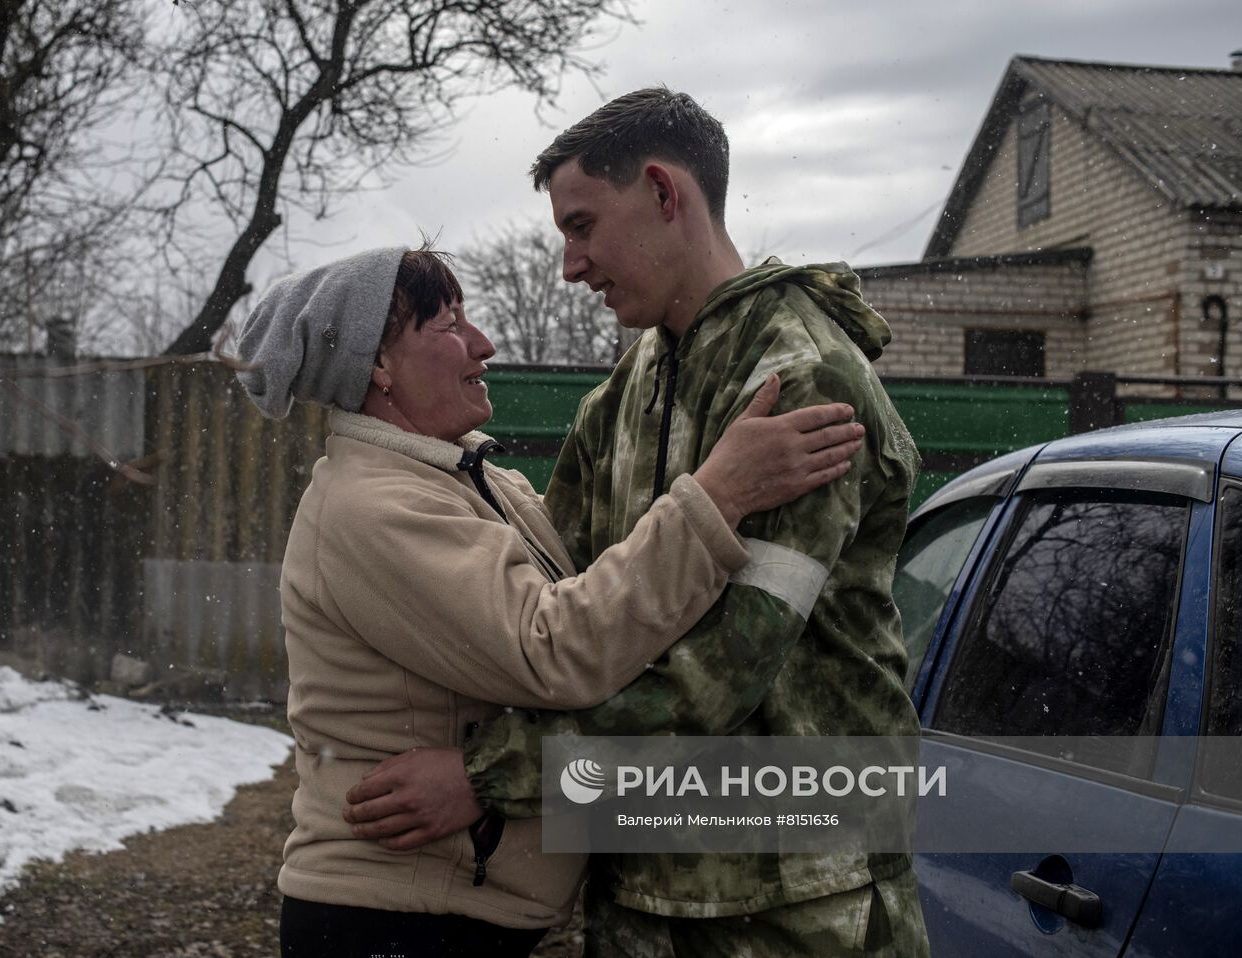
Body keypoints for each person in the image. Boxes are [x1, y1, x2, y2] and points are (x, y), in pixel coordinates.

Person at [342, 90, 933, 956]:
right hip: (636, 896)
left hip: (801, 906)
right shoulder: (620, 401)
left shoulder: (800, 382)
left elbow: (726, 668)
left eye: (581, 227)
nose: (571, 266)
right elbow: (563, 624)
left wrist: (487, 775)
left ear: (663, 191)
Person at [234, 244, 866, 957]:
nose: (484, 343)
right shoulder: (374, 508)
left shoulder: (473, 482)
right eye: (449, 327)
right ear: (377, 365)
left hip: (444, 911)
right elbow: (556, 648)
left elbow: (603, 590)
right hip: (398, 919)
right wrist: (720, 493)